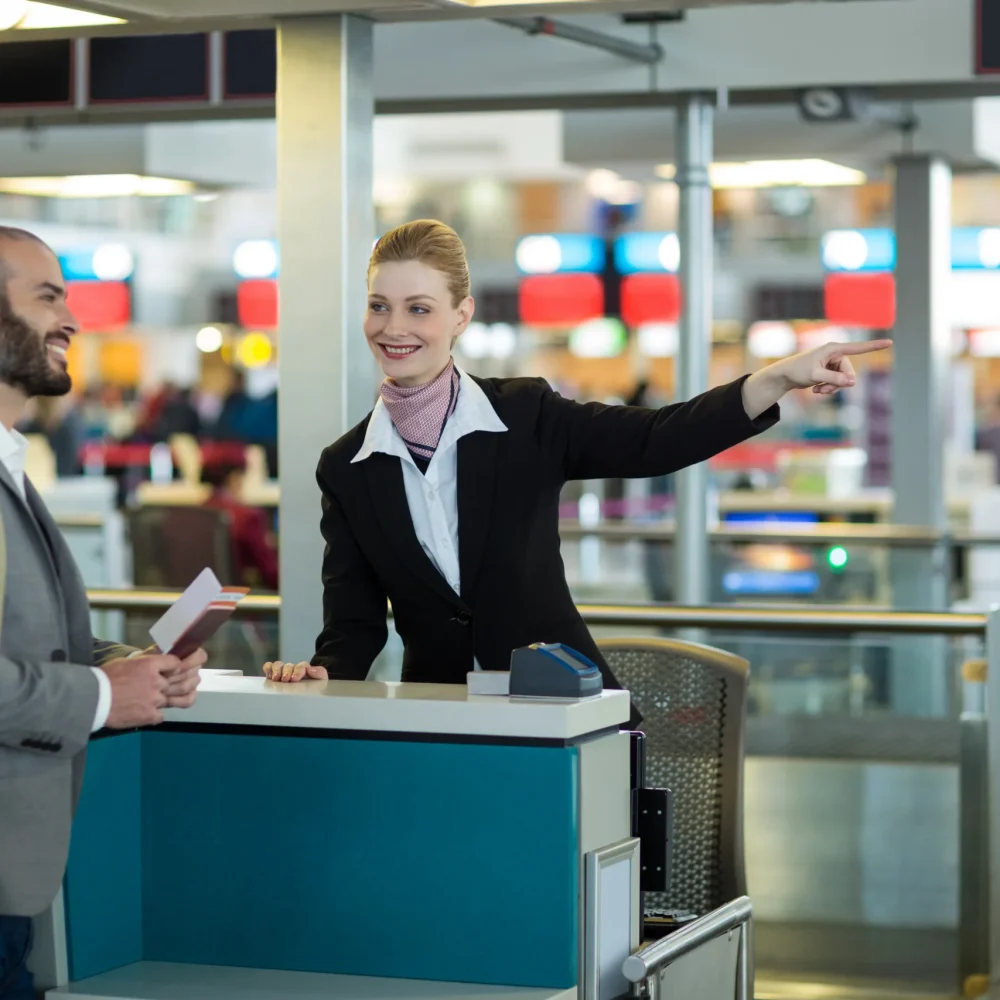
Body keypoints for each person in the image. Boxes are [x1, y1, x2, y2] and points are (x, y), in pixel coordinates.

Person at [263, 219, 890, 721]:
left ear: (461, 316)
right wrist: (322, 673)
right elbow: (353, 626)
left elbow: (657, 439)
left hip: (564, 714)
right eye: (379, 306)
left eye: (418, 309)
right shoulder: (347, 467)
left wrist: (777, 378)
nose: (394, 328)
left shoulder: (526, 415)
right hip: (443, 720)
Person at [0, 227, 206, 1000]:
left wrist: (125, 668)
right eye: (47, 297)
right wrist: (98, 697)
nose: (71, 320)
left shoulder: (12, 462)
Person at [202, 459, 279, 591]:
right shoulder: (247, 517)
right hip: (240, 598)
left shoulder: (198, 514)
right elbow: (270, 573)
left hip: (202, 597)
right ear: (234, 478)